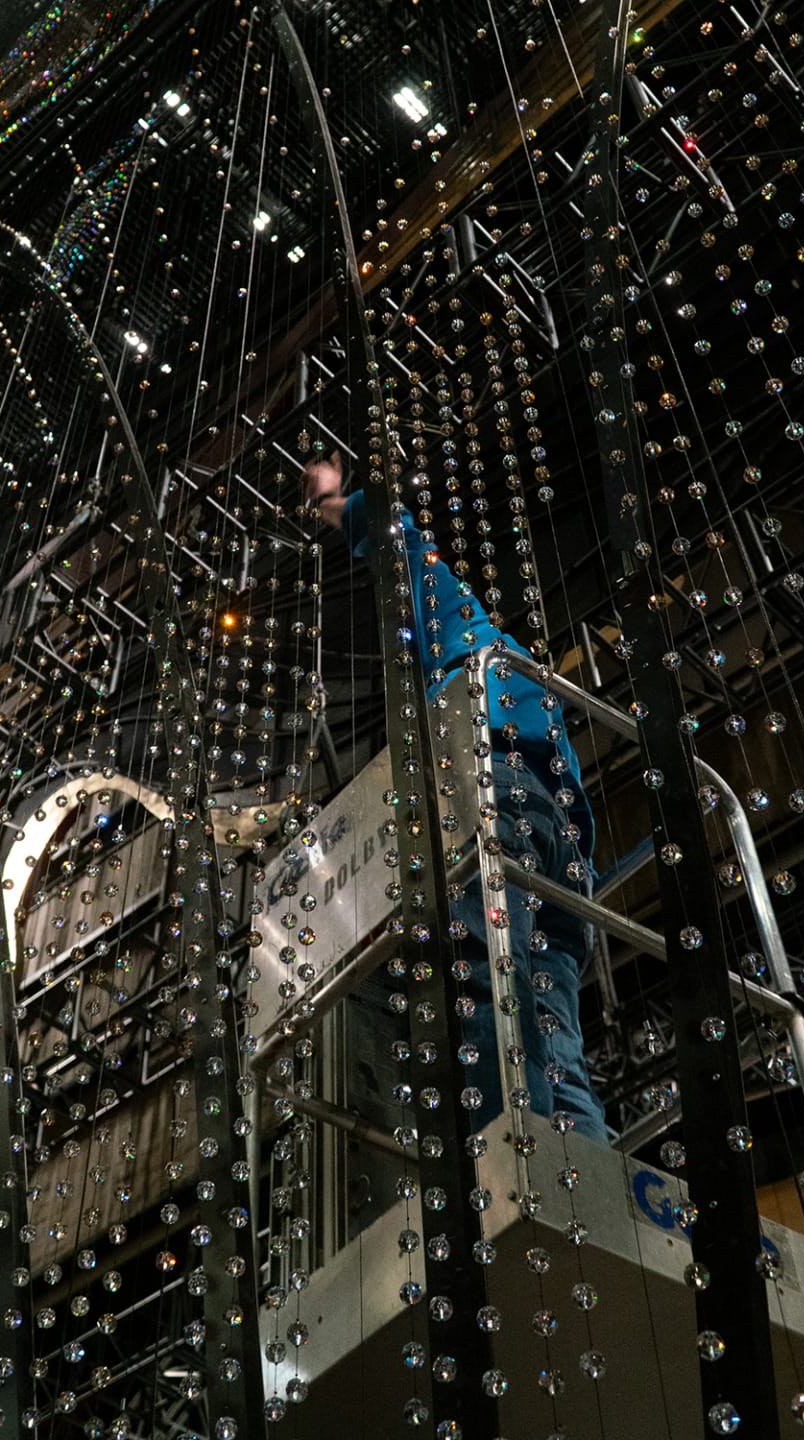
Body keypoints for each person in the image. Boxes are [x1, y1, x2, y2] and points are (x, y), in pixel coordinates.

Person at [304, 456, 607, 1142]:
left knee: (486, 1002)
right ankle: (581, 1174)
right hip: (560, 854)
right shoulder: (533, 698)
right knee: (552, 1038)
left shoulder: (466, 652)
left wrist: (336, 505)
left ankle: (512, 1179)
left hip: (494, 805)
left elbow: (405, 554)